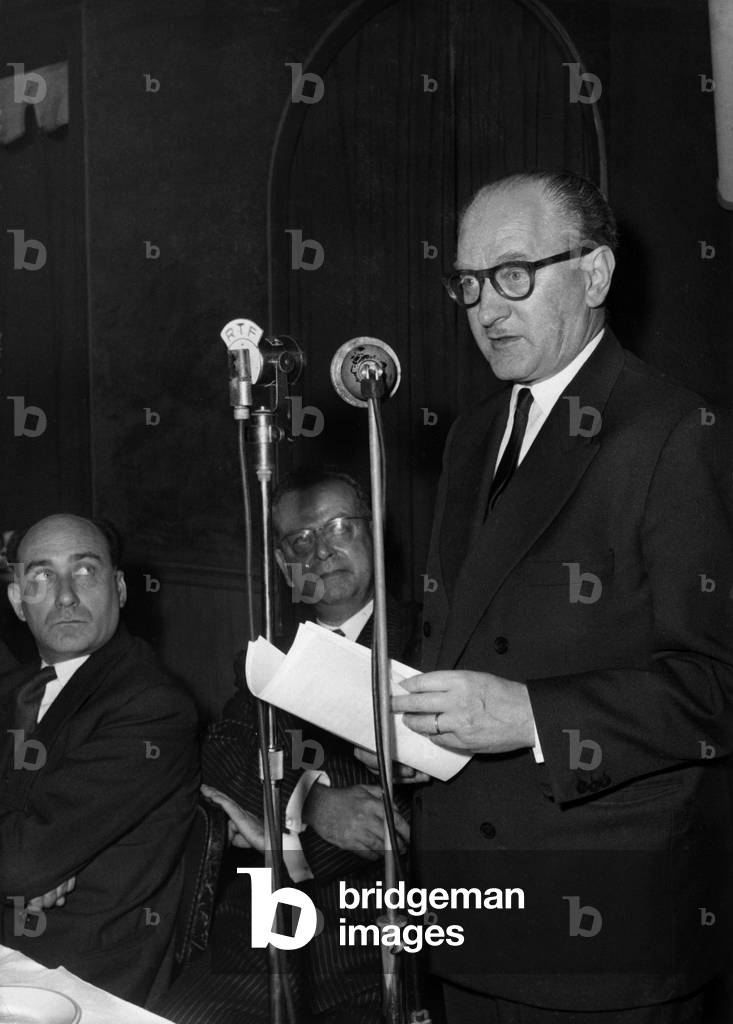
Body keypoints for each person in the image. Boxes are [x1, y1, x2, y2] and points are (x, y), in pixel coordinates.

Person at [392, 171, 733, 1023]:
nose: (484, 308)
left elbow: (716, 687)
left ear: (594, 275)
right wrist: (406, 725)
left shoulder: (673, 433)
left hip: (604, 927)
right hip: (471, 904)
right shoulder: (474, 433)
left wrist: (533, 718)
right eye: (467, 283)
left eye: (513, 274)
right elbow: (467, 636)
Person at [157, 467, 422, 1024]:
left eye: (340, 528)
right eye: (301, 541)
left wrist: (282, 827)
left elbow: (403, 818)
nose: (322, 551)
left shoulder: (432, 639)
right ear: (283, 565)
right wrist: (310, 808)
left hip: (382, 944)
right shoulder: (271, 652)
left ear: (375, 532)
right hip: (263, 932)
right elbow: (222, 751)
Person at [0, 514, 200, 1006]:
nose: (66, 595)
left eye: (85, 571)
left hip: (73, 975)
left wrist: (26, 867)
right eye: (41, 576)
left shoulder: (150, 703)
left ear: (121, 588)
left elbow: (21, 864)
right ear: (17, 602)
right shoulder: (13, 688)